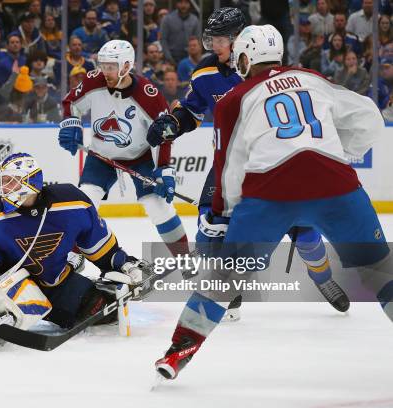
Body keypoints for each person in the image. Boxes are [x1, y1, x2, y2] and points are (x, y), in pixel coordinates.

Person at [153, 23, 393, 381]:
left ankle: (177, 354)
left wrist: (221, 212)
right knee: (380, 271)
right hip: (336, 187)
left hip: (271, 195)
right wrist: (337, 154)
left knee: (222, 279)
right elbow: (369, 118)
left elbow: (228, 167)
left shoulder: (235, 98)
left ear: (247, 57)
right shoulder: (311, 77)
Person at [146, 8, 350, 325]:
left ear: (240, 39)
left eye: (219, 39)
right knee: (208, 223)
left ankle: (321, 275)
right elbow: (192, 111)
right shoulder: (204, 74)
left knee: (304, 231)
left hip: (276, 159)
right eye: (210, 38)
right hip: (230, 159)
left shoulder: (270, 71)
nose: (213, 45)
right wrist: (172, 123)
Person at [0, 152, 153, 351]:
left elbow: (100, 245)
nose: (4, 187)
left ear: (32, 182)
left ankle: (97, 287)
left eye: (12, 181)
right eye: (3, 180)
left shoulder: (72, 202)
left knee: (104, 311)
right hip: (14, 285)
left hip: (57, 282)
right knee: (11, 303)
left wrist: (125, 264)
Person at [58, 39, 188, 248]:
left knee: (157, 205)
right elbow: (71, 102)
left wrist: (163, 167)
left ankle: (186, 261)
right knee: (84, 205)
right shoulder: (94, 81)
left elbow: (165, 132)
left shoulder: (148, 95)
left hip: (140, 157)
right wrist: (71, 125)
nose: (105, 72)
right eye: (103, 66)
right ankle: (71, 259)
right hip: (101, 157)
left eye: (111, 67)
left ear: (127, 66)